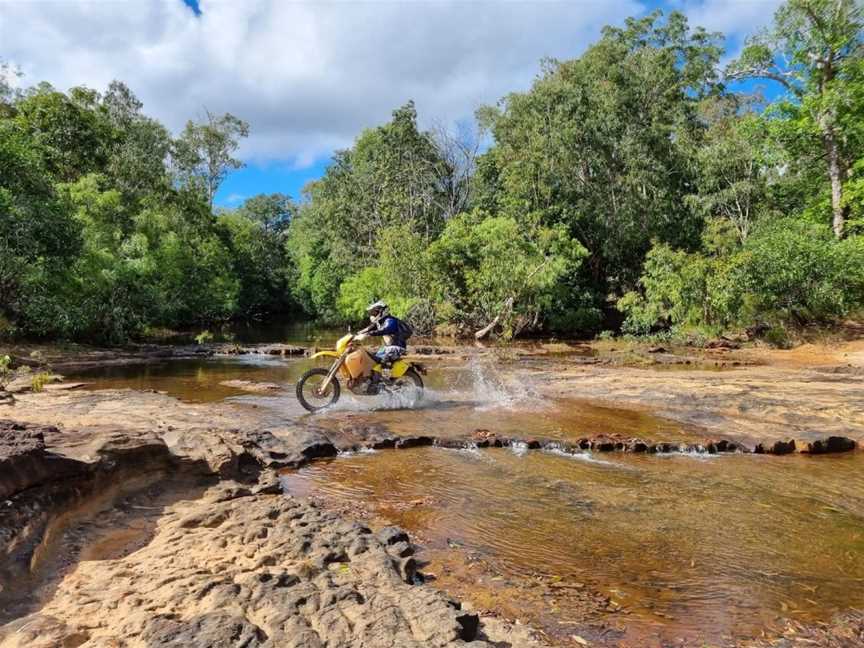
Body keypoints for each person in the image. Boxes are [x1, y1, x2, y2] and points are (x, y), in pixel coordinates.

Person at [354, 300, 409, 366]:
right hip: (388, 347)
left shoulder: (390, 321)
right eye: (372, 313)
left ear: (381, 311)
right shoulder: (381, 322)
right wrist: (356, 334)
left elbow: (383, 330)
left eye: (374, 312)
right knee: (370, 356)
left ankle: (384, 375)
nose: (372, 315)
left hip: (397, 348)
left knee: (381, 361)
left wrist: (368, 334)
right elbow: (369, 328)